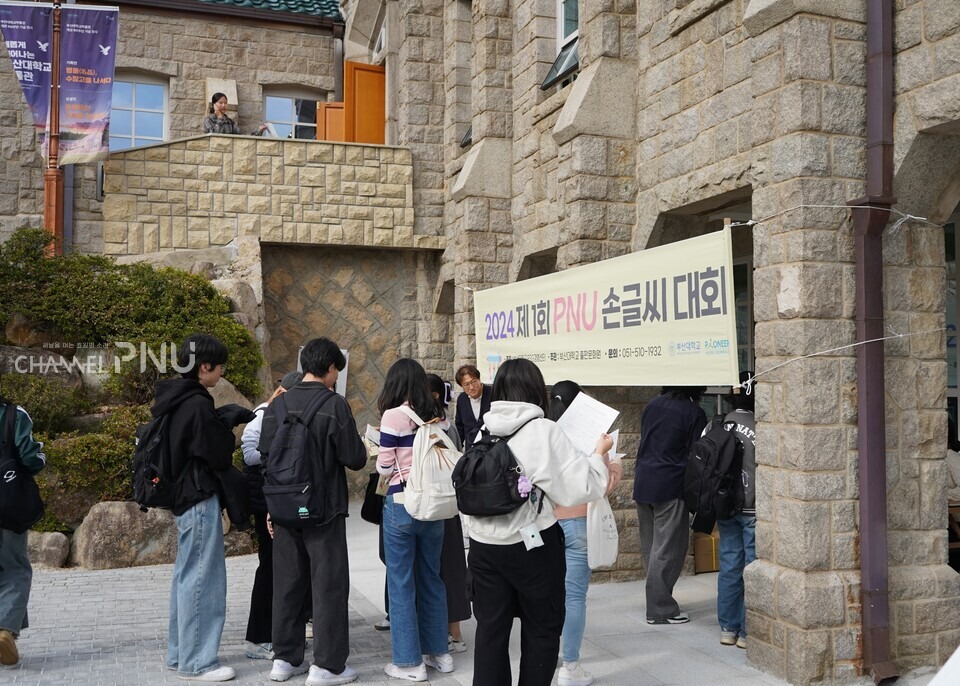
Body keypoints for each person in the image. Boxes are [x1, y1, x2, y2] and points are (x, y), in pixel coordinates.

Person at [463, 358, 612, 686]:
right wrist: (599, 453)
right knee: (541, 630)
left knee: (490, 633)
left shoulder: (485, 430)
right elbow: (581, 487)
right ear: (535, 389)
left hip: (484, 549)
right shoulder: (543, 429)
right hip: (531, 547)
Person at [257, 337, 367, 686]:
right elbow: (354, 457)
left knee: (287, 583)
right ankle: (327, 666)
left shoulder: (278, 404)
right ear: (331, 368)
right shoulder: (333, 405)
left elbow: (265, 457)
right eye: (337, 370)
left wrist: (272, 508)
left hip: (284, 509)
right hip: (323, 510)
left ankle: (284, 660)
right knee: (328, 585)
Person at [157, 333, 250, 682]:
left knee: (186, 577)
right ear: (205, 366)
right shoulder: (196, 404)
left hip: (183, 499)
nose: (222, 372)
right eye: (220, 366)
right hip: (198, 498)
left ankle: (181, 654)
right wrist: (227, 424)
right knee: (204, 580)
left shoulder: (174, 398)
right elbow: (218, 453)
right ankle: (199, 661)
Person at [376, 359, 453, 681]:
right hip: (434, 506)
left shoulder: (393, 416)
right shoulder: (439, 415)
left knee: (401, 582)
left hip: (401, 503)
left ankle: (409, 663)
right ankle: (440, 654)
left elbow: (383, 467)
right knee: (432, 578)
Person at [547, 381, 624, 686]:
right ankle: (570, 667)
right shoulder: (594, 438)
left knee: (549, 595)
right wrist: (614, 462)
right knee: (574, 596)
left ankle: (548, 653)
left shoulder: (544, 433)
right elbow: (602, 484)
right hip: (580, 523)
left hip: (547, 524)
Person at [240, 370, 303, 662]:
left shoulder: (284, 413)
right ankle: (259, 636)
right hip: (264, 500)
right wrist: (276, 454)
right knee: (268, 567)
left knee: (282, 568)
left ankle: (278, 632)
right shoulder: (263, 414)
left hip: (277, 498)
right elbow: (248, 454)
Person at [633, 386, 708, 625]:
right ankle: (660, 608)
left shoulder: (652, 405)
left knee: (652, 547)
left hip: (644, 480)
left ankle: (659, 600)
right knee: (668, 548)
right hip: (671, 484)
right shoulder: (693, 412)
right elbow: (697, 453)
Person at [426, 373, 471, 654]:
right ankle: (455, 631)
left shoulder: (429, 428)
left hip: (433, 506)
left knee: (439, 568)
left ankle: (446, 632)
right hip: (449, 505)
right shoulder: (449, 424)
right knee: (452, 566)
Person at [0, 398, 45, 666]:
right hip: (8, 506)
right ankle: (5, 630)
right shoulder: (13, 415)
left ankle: (8, 628)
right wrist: (42, 456)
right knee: (15, 568)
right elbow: (31, 458)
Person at [716, 372, 756, 650]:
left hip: (724, 506)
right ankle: (747, 631)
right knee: (752, 568)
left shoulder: (716, 426)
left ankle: (728, 629)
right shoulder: (761, 425)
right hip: (753, 507)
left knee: (730, 565)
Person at [454, 364, 492, 450]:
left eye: (474, 381)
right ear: (461, 386)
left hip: (491, 449)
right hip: (471, 451)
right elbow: (459, 427)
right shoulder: (462, 399)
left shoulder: (493, 394)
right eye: (466, 384)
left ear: (479, 379)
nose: (471, 387)